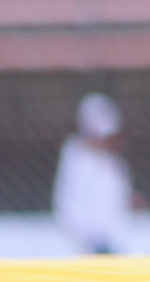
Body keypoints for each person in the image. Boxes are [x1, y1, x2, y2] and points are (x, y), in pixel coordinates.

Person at [53, 93, 134, 254]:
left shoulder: (114, 163)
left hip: (112, 241)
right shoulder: (75, 156)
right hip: (83, 242)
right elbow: (68, 204)